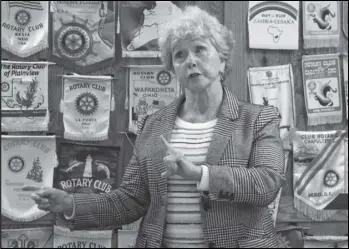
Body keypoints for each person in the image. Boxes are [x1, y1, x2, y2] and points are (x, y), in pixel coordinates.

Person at [29, 5, 285, 248]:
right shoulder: (153, 124)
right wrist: (70, 203)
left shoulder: (257, 119)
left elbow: (268, 184)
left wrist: (200, 175)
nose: (191, 61)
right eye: (180, 55)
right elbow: (130, 200)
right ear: (172, 67)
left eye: (200, 49)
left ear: (222, 60)